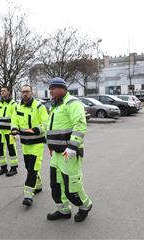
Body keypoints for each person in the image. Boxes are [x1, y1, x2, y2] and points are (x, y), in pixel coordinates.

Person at [46, 77, 93, 222]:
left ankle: (85, 205)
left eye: (53, 88)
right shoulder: (55, 105)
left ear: (62, 89)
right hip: (56, 154)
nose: (50, 91)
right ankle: (64, 211)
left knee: (72, 188)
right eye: (50, 88)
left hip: (69, 153)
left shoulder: (72, 103)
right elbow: (52, 128)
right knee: (56, 186)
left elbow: (80, 125)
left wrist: (73, 146)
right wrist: (50, 146)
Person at [11, 84, 49, 207]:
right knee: (29, 167)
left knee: (32, 168)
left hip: (37, 143)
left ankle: (28, 195)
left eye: (27, 91)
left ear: (32, 92)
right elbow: (14, 120)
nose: (25, 93)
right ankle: (37, 186)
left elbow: (46, 123)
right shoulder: (18, 107)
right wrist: (14, 129)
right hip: (25, 143)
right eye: (23, 92)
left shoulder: (39, 106)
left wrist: (36, 129)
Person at [0, 86, 19, 176]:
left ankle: (14, 168)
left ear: (9, 92)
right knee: (0, 149)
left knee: (11, 149)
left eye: (4, 91)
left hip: (10, 132)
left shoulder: (13, 104)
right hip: (0, 131)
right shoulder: (0, 104)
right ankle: (3, 167)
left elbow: (15, 118)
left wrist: (15, 131)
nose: (2, 92)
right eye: (1, 91)